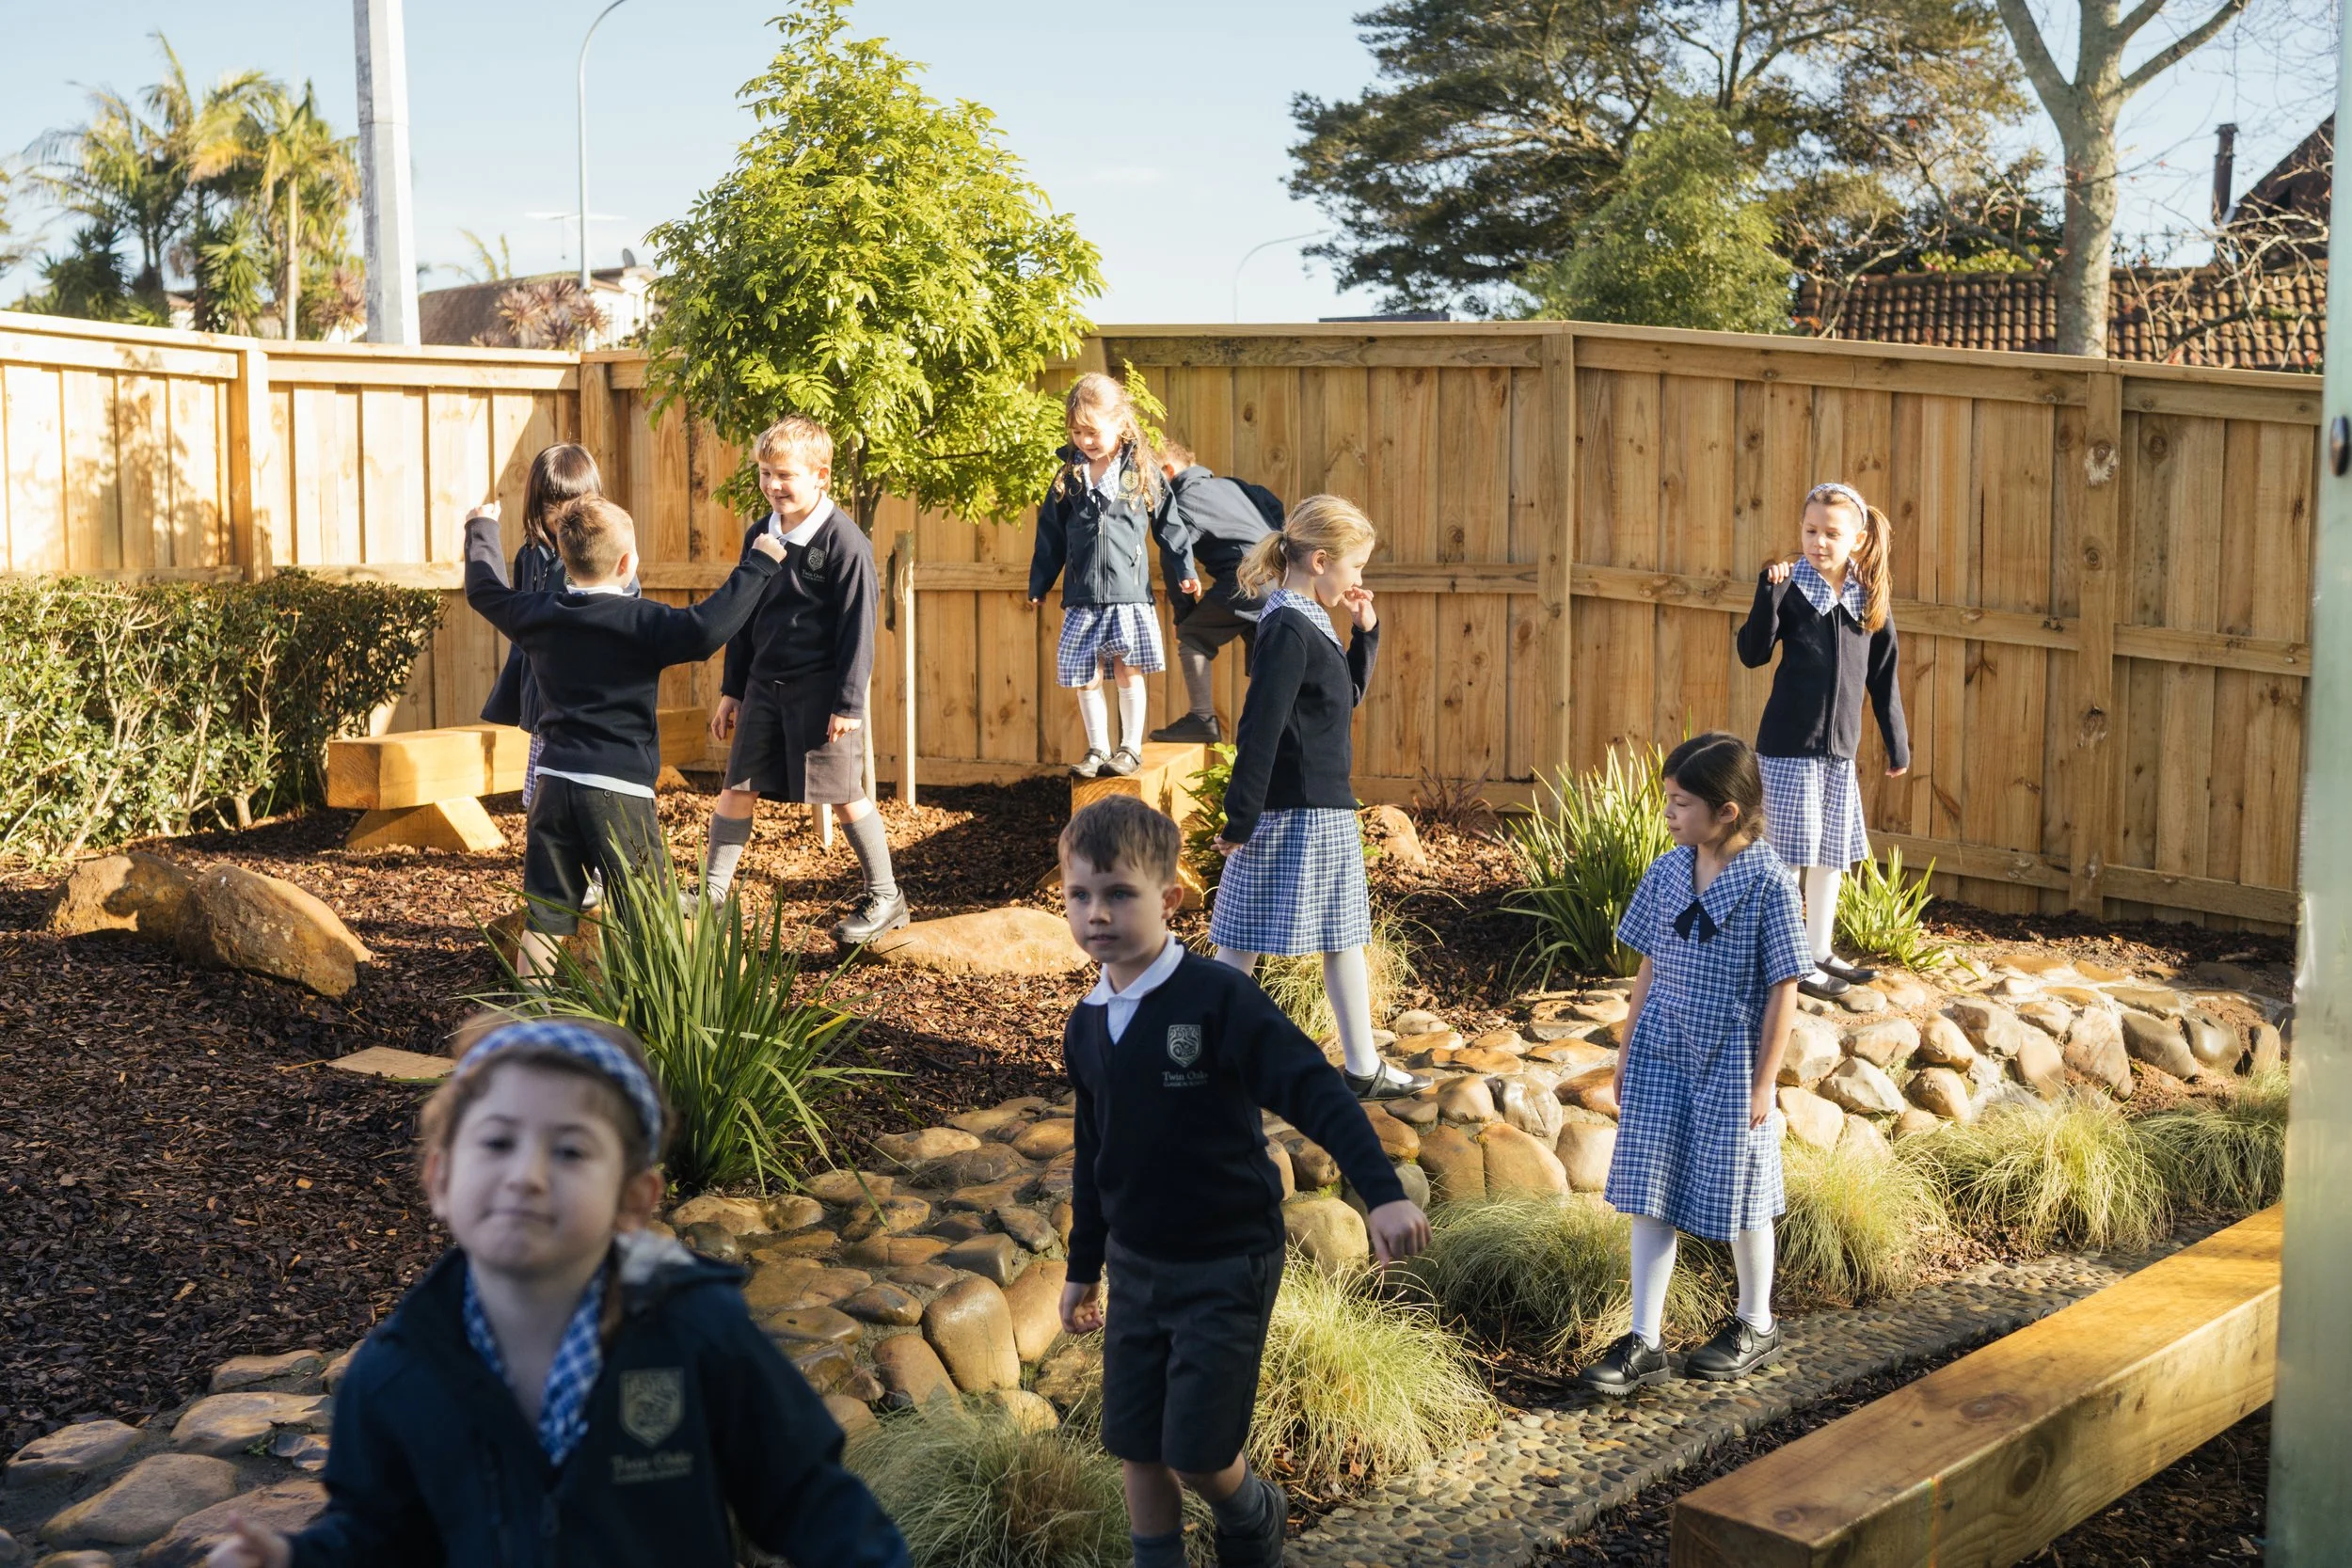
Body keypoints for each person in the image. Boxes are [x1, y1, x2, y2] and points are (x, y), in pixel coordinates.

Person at [202, 1015, 909, 1568]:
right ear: (441, 1177)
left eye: (570, 1149)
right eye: (498, 1142)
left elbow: (808, 1497)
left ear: (634, 1198)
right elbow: (379, 1538)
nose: (527, 1175)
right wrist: (297, 1556)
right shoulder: (396, 1374)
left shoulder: (695, 1332)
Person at [1053, 795, 1430, 1568]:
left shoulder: (1216, 998)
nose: (1097, 913)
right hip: (1136, 1264)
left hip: (1226, 1260)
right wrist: (1082, 1266)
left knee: (1195, 1452)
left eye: (1119, 893)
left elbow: (1316, 1089)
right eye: (1079, 895)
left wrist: (1383, 1189)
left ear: (1169, 899)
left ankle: (1252, 1510)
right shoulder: (1087, 1021)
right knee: (1136, 1444)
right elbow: (1095, 1154)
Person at [1576, 733, 1810, 1396]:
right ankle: (1644, 1340)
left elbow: (1783, 987)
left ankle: (1755, 1321)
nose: (1670, 814)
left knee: (1743, 1194)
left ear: (1727, 810)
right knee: (1649, 1191)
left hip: (1732, 1062)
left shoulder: (1768, 881)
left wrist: (1765, 1081)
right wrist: (1625, 1050)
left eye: (1682, 803)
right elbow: (1648, 963)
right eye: (1668, 801)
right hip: (1661, 1049)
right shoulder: (1668, 870)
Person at [463, 496, 784, 974]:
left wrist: (481, 529)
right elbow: (707, 628)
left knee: (547, 915)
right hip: (616, 795)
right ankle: (650, 1028)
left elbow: (484, 590)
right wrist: (759, 564)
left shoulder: (540, 613)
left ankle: (533, 1021)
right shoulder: (643, 622)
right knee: (648, 915)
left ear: (565, 558)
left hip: (552, 786)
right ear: (627, 562)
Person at [1207, 495, 1426, 1101]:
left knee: (1339, 937)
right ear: (1321, 560)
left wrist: (1368, 633)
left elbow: (1344, 697)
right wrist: (1241, 817)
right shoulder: (1286, 628)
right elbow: (1260, 728)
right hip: (1291, 815)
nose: (1360, 581)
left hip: (1320, 810)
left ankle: (1362, 1067)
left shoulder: (1310, 622)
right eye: (1355, 568)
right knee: (1242, 940)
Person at [698, 416, 904, 944]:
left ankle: (886, 895)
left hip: (821, 694)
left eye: (785, 475)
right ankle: (713, 892)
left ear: (822, 476)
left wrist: (849, 704)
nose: (772, 485)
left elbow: (859, 633)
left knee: (843, 794)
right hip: (764, 687)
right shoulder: (759, 534)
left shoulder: (844, 544)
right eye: (765, 473)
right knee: (736, 787)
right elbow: (742, 618)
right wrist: (732, 689)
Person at [1736, 480, 1909, 1002]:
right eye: (1811, 530)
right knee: (1788, 857)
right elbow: (1751, 653)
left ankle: (1818, 949)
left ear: (1856, 539)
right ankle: (1787, 962)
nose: (1818, 542)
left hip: (1839, 754)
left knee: (1831, 854)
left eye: (1832, 533)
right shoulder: (1787, 588)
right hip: (1788, 749)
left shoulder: (1868, 598)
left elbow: (1884, 676)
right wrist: (1767, 594)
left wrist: (1897, 743)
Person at [1027, 372, 1193, 779]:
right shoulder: (1069, 476)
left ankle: (1129, 749)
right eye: (1076, 431)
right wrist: (1039, 583)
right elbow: (1050, 535)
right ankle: (1098, 748)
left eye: (1092, 431)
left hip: (1128, 594)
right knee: (1087, 674)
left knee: (1125, 668)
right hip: (1082, 595)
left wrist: (1184, 569)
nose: (1085, 440)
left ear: (1120, 422)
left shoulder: (1141, 471)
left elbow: (1169, 525)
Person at [478, 443, 607, 814]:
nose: (564, 515)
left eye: (575, 502)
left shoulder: (602, 552)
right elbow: (515, 616)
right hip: (543, 703)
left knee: (585, 802)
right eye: (553, 505)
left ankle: (596, 873)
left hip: (584, 707)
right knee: (539, 803)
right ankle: (547, 868)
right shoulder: (531, 555)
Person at [1148, 440, 1282, 744]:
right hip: (1278, 580)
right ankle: (1268, 731)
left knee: (1193, 635)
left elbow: (1173, 556)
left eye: (1152, 480)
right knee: (1264, 663)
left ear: (1168, 471)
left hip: (1245, 579)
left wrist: (1183, 614)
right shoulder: (1234, 486)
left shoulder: (1182, 501)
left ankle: (1202, 718)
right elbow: (1272, 505)